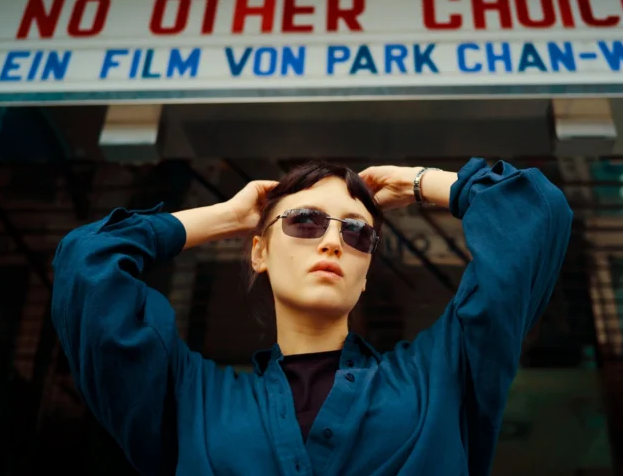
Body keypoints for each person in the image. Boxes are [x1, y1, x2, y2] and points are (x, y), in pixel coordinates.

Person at [51, 157, 573, 476]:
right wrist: (227, 216)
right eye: (304, 221)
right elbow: (87, 263)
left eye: (357, 231)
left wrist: (418, 182)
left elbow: (534, 214)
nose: (331, 240)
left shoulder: (442, 378)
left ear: (366, 272)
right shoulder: (191, 401)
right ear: (258, 252)